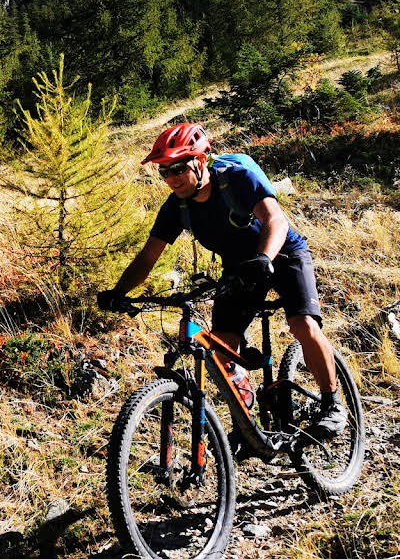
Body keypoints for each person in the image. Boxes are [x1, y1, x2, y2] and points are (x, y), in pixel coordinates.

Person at [97, 123, 347, 443]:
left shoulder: (237, 176)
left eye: (178, 168)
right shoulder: (177, 206)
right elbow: (148, 258)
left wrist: (265, 259)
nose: (172, 177)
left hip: (283, 253)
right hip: (238, 269)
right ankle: (248, 424)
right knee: (221, 349)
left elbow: (275, 220)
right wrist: (119, 292)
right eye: (164, 171)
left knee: (303, 326)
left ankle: (332, 403)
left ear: (201, 162)